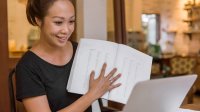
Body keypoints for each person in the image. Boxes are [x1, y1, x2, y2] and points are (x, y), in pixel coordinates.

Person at [15, 0, 121, 112]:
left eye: (71, 21)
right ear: (39, 20)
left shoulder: (81, 51)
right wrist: (93, 94)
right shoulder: (27, 66)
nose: (66, 30)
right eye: (58, 22)